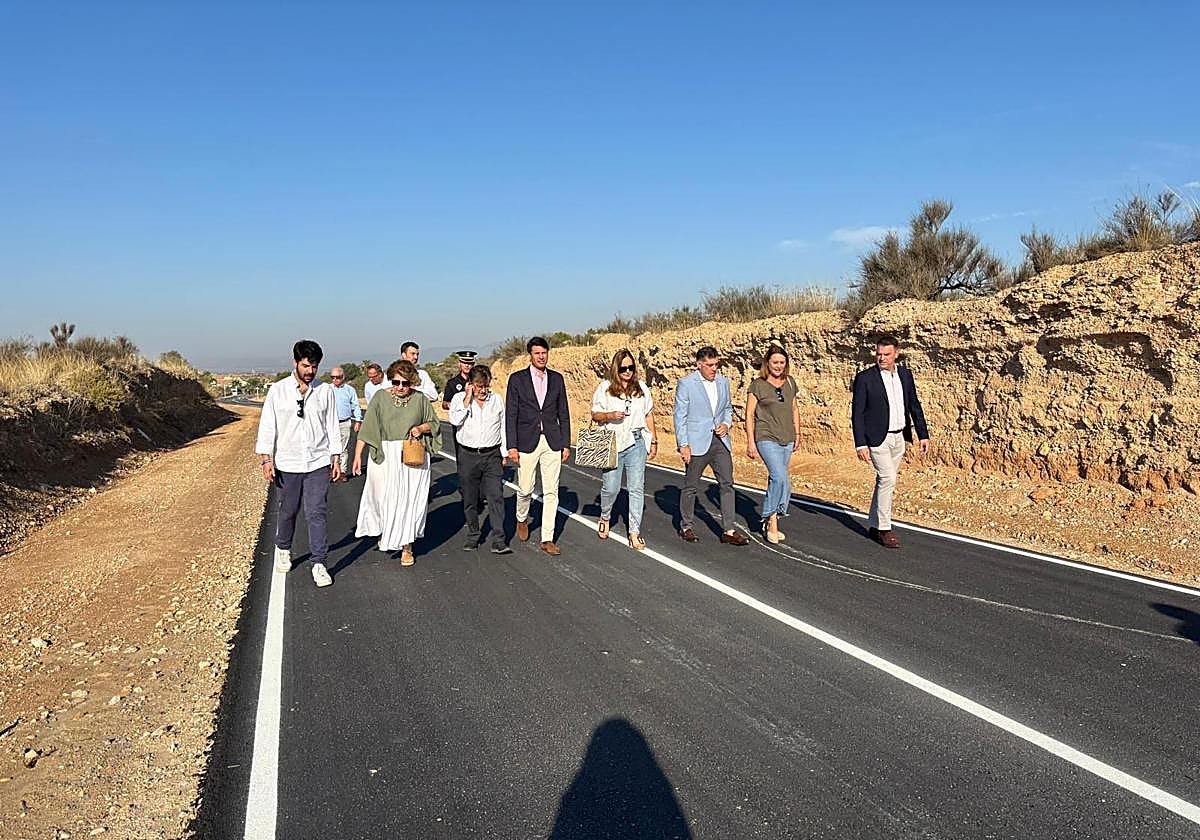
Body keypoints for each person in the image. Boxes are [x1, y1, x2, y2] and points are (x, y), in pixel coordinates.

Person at [255, 340, 343, 588]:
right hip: (288, 462)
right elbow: (268, 426)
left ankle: (319, 563)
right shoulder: (278, 391)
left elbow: (332, 427)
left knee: (316, 512)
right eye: (306, 365)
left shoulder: (325, 391)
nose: (310, 371)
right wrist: (265, 458)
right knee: (288, 510)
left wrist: (336, 458)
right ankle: (283, 548)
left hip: (317, 461)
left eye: (314, 366)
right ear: (295, 362)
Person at [352, 359, 442, 565]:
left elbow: (434, 423)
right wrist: (357, 456)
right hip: (386, 455)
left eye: (405, 383)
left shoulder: (420, 399)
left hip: (412, 454)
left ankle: (407, 547)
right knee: (383, 498)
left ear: (412, 382)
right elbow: (368, 428)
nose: (400, 387)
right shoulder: (380, 398)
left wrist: (420, 428)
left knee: (410, 501)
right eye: (396, 382)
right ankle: (388, 531)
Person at [851, 334, 930, 549]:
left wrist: (923, 434)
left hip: (899, 437)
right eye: (879, 354)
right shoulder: (865, 378)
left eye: (886, 354)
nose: (882, 358)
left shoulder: (905, 375)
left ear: (897, 353)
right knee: (888, 478)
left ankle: (874, 525)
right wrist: (860, 443)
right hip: (877, 438)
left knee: (884, 481)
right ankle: (885, 528)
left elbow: (914, 404)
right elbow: (857, 413)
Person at [673, 346, 747, 545]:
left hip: (720, 441)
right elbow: (680, 416)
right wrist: (683, 445)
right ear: (699, 364)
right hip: (696, 442)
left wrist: (726, 424)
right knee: (691, 486)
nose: (714, 369)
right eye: (710, 365)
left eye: (716, 364)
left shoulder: (723, 382)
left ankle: (729, 530)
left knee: (727, 483)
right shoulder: (686, 384)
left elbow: (728, 409)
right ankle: (686, 526)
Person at [505, 336, 571, 555]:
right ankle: (521, 518)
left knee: (551, 492)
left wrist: (566, 443)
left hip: (552, 440)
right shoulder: (517, 379)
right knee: (525, 488)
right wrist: (511, 445)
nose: (541, 356)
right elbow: (511, 414)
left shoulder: (557, 379)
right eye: (537, 353)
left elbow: (564, 413)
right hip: (526, 441)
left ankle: (547, 538)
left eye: (544, 352)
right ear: (530, 355)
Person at [590, 349, 657, 551]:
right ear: (615, 369)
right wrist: (610, 415)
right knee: (612, 487)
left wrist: (653, 441)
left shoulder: (642, 388)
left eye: (631, 367)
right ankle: (605, 515)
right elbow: (595, 415)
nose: (627, 371)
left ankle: (634, 532)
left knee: (636, 488)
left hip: (637, 441)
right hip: (613, 441)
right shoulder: (605, 388)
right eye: (623, 368)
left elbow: (648, 415)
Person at [448, 364, 512, 554]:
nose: (483, 390)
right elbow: (455, 421)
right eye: (478, 386)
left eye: (485, 386)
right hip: (468, 455)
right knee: (470, 498)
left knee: (496, 496)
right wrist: (467, 399)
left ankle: (499, 539)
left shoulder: (497, 400)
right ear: (470, 384)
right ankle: (473, 534)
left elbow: (503, 427)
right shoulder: (459, 400)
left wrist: (505, 452)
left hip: (492, 455)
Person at [745, 345, 801, 544]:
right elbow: (749, 414)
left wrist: (797, 432)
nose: (779, 366)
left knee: (776, 479)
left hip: (787, 437)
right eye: (775, 362)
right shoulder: (757, 385)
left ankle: (773, 519)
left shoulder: (791, 383)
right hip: (766, 437)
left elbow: (794, 408)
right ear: (767, 363)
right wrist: (751, 441)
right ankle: (771, 521)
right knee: (780, 478)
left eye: (782, 362)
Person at [329, 366, 362, 481]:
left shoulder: (349, 390)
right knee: (329, 448)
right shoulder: (327, 389)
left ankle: (342, 472)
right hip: (329, 424)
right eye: (332, 377)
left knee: (343, 448)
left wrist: (358, 420)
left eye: (337, 377)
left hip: (344, 422)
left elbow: (355, 406)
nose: (335, 380)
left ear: (343, 377)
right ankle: (331, 470)